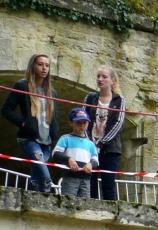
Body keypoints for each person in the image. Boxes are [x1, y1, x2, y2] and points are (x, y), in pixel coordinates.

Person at [2, 54, 58, 193]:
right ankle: (50, 195)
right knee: (45, 176)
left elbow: (54, 119)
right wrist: (23, 123)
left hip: (47, 142)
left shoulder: (52, 92)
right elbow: (6, 110)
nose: (44, 68)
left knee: (37, 174)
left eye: (47, 65)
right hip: (29, 138)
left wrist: (55, 137)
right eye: (40, 64)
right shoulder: (22, 85)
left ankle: (32, 200)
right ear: (33, 65)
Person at [83, 65, 124, 201]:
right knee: (90, 182)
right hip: (90, 147)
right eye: (98, 76)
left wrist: (101, 144)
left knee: (108, 184)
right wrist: (90, 143)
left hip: (110, 150)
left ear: (112, 80)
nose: (100, 79)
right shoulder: (90, 98)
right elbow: (84, 120)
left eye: (104, 77)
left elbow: (118, 124)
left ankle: (111, 215)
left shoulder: (119, 100)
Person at [51, 107, 97, 198]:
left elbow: (95, 159)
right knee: (69, 202)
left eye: (84, 122)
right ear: (71, 123)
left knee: (85, 205)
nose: (82, 125)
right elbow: (55, 153)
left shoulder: (91, 143)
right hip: (70, 177)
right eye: (78, 122)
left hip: (86, 179)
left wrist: (90, 164)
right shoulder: (65, 138)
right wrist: (69, 159)